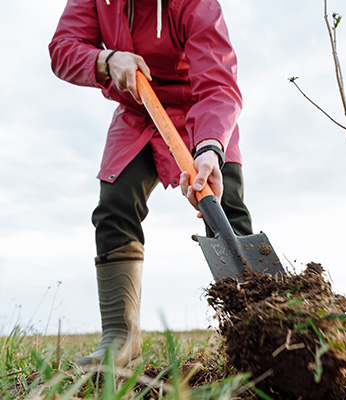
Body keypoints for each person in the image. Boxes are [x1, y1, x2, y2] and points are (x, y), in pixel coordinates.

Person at [49, 0, 252, 368]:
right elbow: (63, 49)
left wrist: (209, 148)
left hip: (199, 111)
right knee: (114, 206)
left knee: (225, 210)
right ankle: (120, 340)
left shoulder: (195, 4)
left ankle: (253, 331)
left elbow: (219, 84)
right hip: (138, 111)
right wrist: (106, 60)